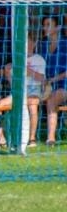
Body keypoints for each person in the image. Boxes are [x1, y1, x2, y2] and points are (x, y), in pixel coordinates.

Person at [36, 14, 67, 144]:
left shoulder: (65, 45)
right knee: (29, 98)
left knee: (51, 99)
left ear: (58, 27)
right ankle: (29, 137)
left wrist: (51, 80)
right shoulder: (42, 46)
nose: (45, 28)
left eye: (49, 24)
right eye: (44, 25)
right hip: (46, 86)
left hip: (63, 86)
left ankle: (51, 138)